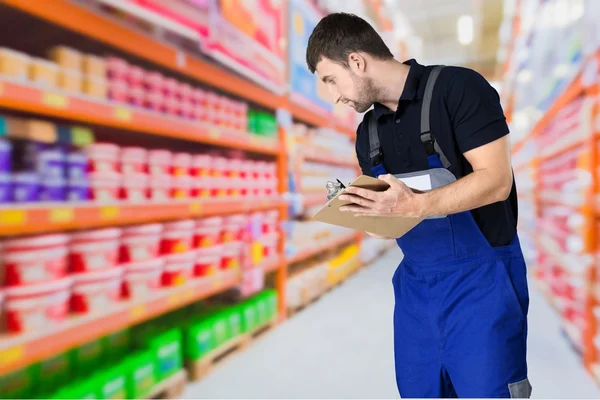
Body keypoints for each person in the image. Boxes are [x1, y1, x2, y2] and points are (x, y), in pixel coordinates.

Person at [306, 12, 531, 399]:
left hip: (482, 285)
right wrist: (364, 210)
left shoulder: (458, 88)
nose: (334, 95)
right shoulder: (368, 132)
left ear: (356, 61)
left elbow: (496, 181)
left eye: (330, 79)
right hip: (417, 292)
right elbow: (391, 218)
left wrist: (415, 205)